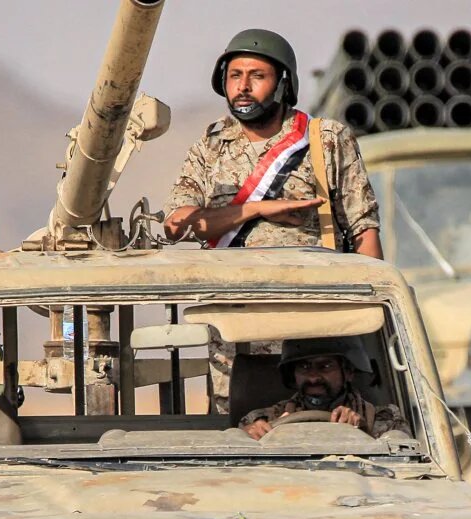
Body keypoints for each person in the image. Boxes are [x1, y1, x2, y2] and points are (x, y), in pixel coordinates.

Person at [165, 30, 384, 415]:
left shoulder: (324, 140)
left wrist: (370, 326)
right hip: (234, 330)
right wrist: (257, 210)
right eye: (235, 76)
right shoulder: (210, 146)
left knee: (320, 432)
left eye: (257, 76)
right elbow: (179, 225)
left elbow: (364, 232)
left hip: (312, 330)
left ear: (283, 83)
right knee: (240, 430)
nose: (243, 87)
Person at [240, 337, 409, 440]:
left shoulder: (385, 419)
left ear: (348, 372)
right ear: (293, 374)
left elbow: (403, 466)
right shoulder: (261, 419)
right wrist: (246, 436)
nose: (313, 377)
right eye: (304, 367)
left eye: (325, 366)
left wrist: (364, 432)